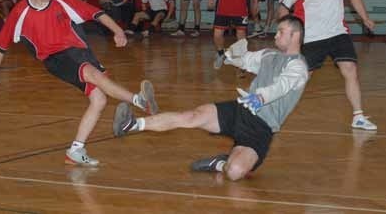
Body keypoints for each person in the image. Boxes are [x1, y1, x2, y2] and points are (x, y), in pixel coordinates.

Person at [0, 0, 158, 166]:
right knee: (95, 76)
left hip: (79, 51)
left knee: (99, 99)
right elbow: (1, 44)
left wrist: (118, 31)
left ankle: (76, 150)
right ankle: (140, 100)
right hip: (55, 58)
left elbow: (96, 13)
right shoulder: (20, 12)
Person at [113, 15, 308, 181]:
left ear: (295, 35)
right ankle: (131, 124)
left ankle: (220, 163)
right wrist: (229, 56)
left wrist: (261, 97)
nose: (276, 35)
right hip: (241, 109)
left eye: (281, 32)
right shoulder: (269, 54)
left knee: (234, 172)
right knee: (191, 116)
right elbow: (247, 60)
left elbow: (282, 86)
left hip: (260, 128)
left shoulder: (298, 67)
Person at [278, 0, 378, 131]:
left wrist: (365, 18)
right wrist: (286, 35)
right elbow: (282, 9)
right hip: (311, 39)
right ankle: (272, 111)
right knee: (299, 79)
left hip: (338, 33)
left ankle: (358, 116)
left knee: (350, 70)